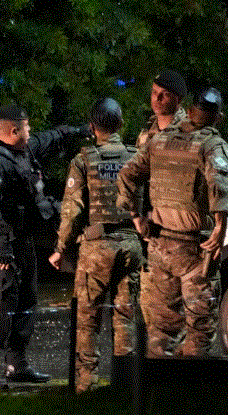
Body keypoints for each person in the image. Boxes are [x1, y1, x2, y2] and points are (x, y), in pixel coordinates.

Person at [0, 103, 91, 389]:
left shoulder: (21, 151)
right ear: (13, 131)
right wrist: (1, 246)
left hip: (21, 237)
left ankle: (17, 364)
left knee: (26, 299)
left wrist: (77, 131)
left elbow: (47, 138)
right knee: (0, 301)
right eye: (26, 127)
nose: (30, 131)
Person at [117, 88, 228, 357]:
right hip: (195, 249)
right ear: (218, 117)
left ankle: (159, 393)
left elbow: (126, 174)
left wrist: (136, 217)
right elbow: (220, 183)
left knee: (160, 330)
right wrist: (220, 225)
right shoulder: (211, 144)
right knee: (199, 329)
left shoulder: (159, 140)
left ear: (190, 111)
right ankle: (188, 393)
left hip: (159, 247)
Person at [48, 98, 143, 393]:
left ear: (92, 127)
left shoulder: (84, 160)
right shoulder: (136, 156)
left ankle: (86, 388)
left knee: (88, 321)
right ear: (121, 124)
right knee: (125, 317)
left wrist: (60, 247)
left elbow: (72, 210)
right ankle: (126, 387)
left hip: (96, 249)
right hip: (131, 245)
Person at [135, 69, 188, 329]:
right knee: (156, 314)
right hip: (155, 232)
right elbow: (136, 179)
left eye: (163, 95)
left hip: (187, 234)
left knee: (192, 317)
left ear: (177, 99)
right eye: (154, 93)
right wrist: (138, 216)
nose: (156, 99)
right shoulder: (147, 134)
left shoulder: (193, 131)